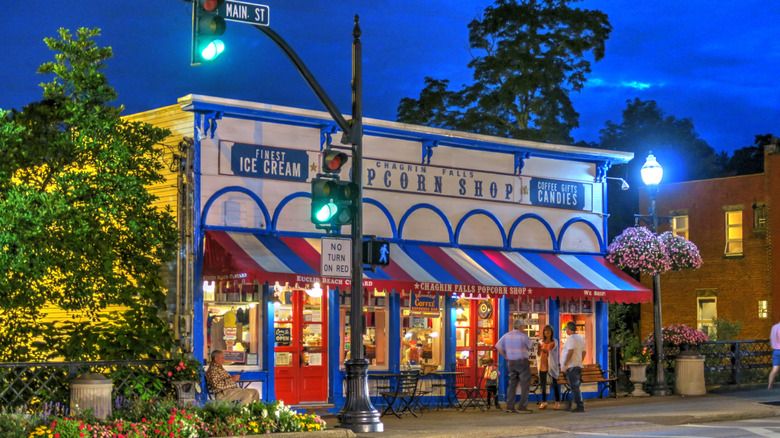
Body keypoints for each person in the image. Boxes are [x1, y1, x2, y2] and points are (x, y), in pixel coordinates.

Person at [496, 318, 533, 413]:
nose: (524, 328)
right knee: (525, 384)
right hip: (522, 362)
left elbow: (498, 347)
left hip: (511, 362)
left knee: (512, 383)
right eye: (523, 326)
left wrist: (506, 356)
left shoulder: (506, 335)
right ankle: (522, 406)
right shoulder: (523, 336)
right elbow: (530, 346)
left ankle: (510, 406)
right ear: (520, 327)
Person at [560, 321, 586, 412]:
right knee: (574, 386)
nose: (566, 330)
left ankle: (579, 405)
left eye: (566, 328)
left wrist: (565, 364)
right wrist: (579, 361)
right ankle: (571, 403)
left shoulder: (571, 339)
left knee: (574, 387)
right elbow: (584, 352)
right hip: (578, 365)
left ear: (569, 329)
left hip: (572, 367)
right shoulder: (580, 338)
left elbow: (570, 352)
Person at [536, 324, 561, 410]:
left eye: (548, 331)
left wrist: (544, 350)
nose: (547, 332)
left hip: (551, 365)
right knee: (543, 384)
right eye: (545, 331)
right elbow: (538, 355)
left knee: (554, 383)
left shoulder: (554, 342)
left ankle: (557, 402)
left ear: (551, 332)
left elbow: (553, 352)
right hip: (542, 364)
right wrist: (539, 349)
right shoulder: (540, 342)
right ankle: (544, 401)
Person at [768, 318, 780, 389]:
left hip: (775, 351)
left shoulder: (774, 327)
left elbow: (771, 338)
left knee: (774, 369)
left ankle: (769, 384)